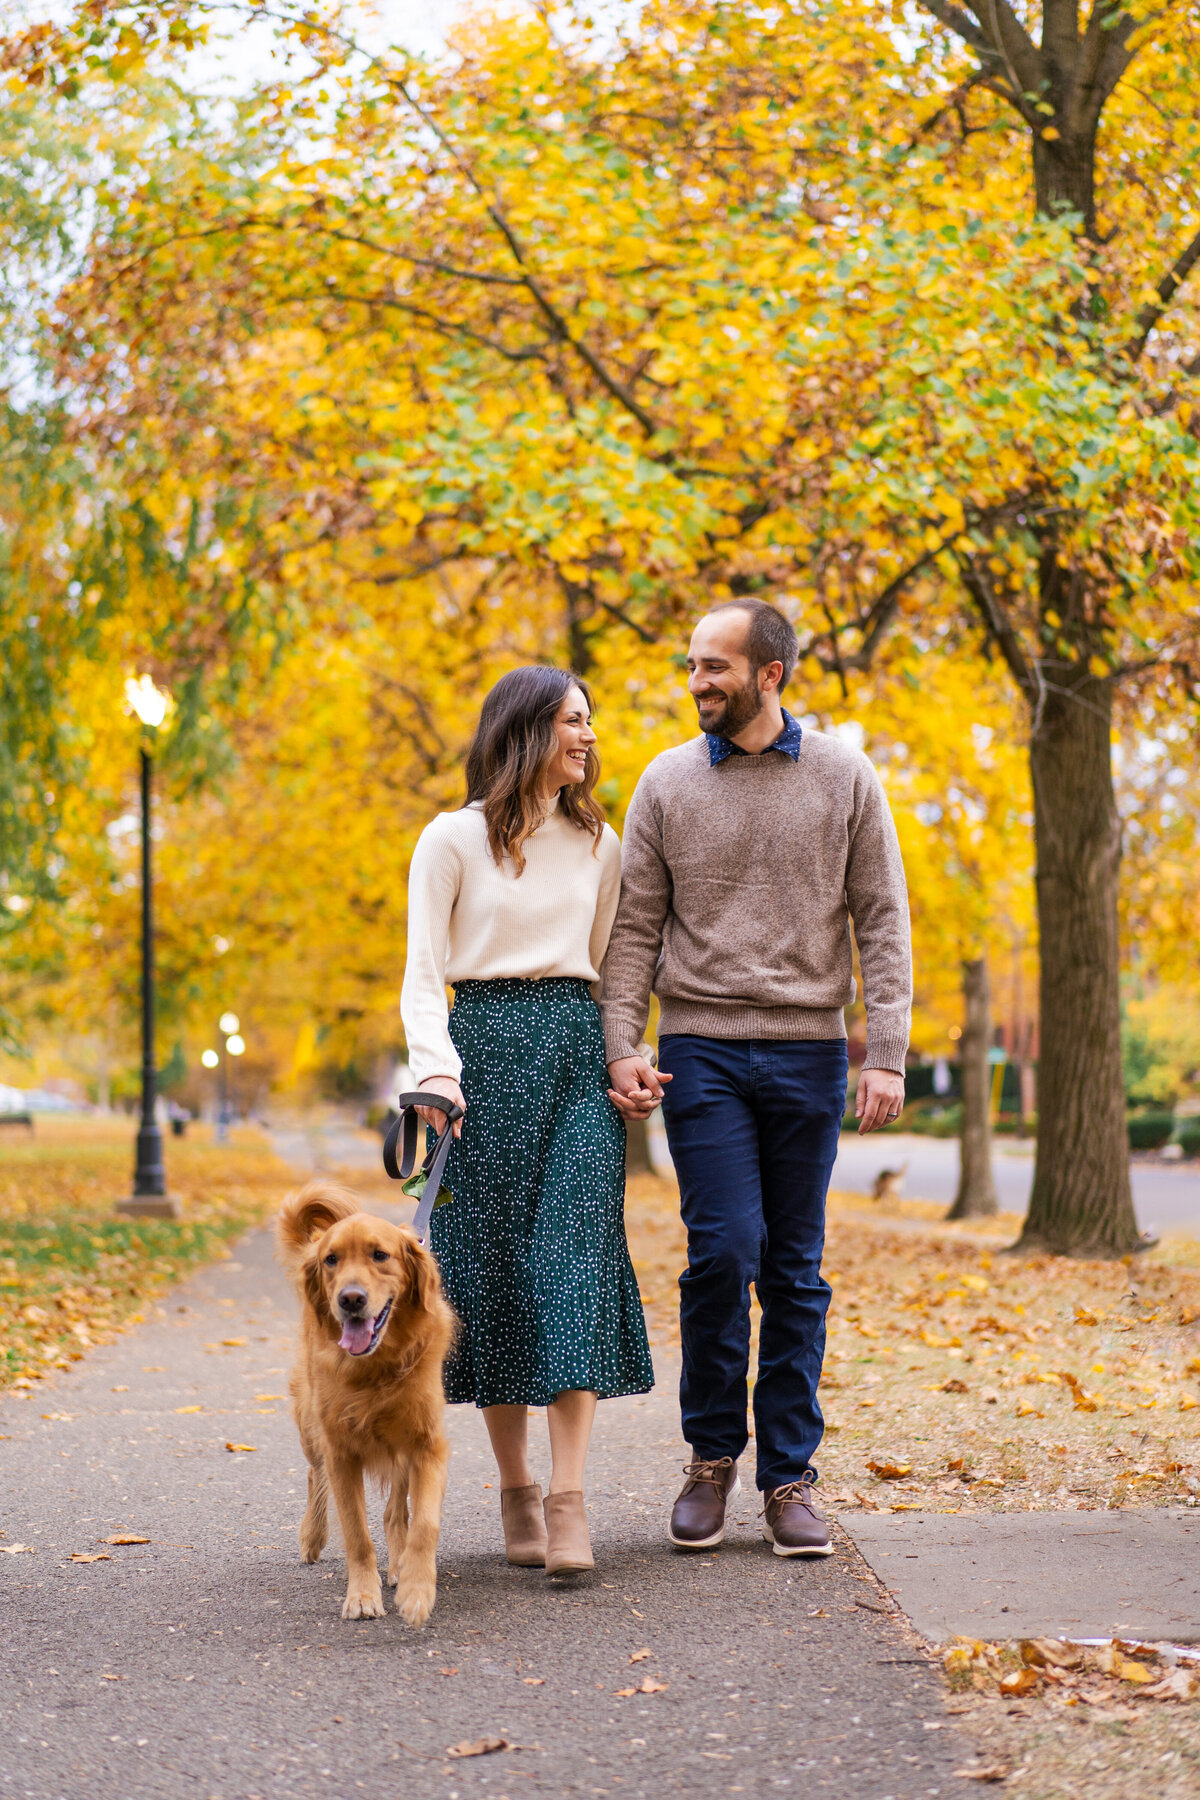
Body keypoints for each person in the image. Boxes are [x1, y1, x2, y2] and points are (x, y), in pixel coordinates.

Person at [603, 599, 911, 1558]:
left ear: (770, 673)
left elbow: (883, 920)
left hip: (812, 1051)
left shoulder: (844, 777)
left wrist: (887, 1052)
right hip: (702, 1047)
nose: (698, 682)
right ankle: (709, 1460)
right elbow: (633, 933)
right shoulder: (663, 784)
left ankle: (788, 1479)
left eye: (716, 668)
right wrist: (622, 1043)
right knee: (722, 1252)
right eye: (692, 665)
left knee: (795, 1267)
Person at [401, 666, 653, 1577]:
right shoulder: (451, 839)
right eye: (572, 721)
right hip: (478, 1060)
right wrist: (435, 1071)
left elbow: (609, 963)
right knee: (498, 1271)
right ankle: (514, 1488)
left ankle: (569, 1496)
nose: (589, 736)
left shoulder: (602, 845)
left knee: (572, 1257)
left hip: (572, 1053)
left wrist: (620, 1052)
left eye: (589, 720)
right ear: (526, 731)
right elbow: (424, 972)